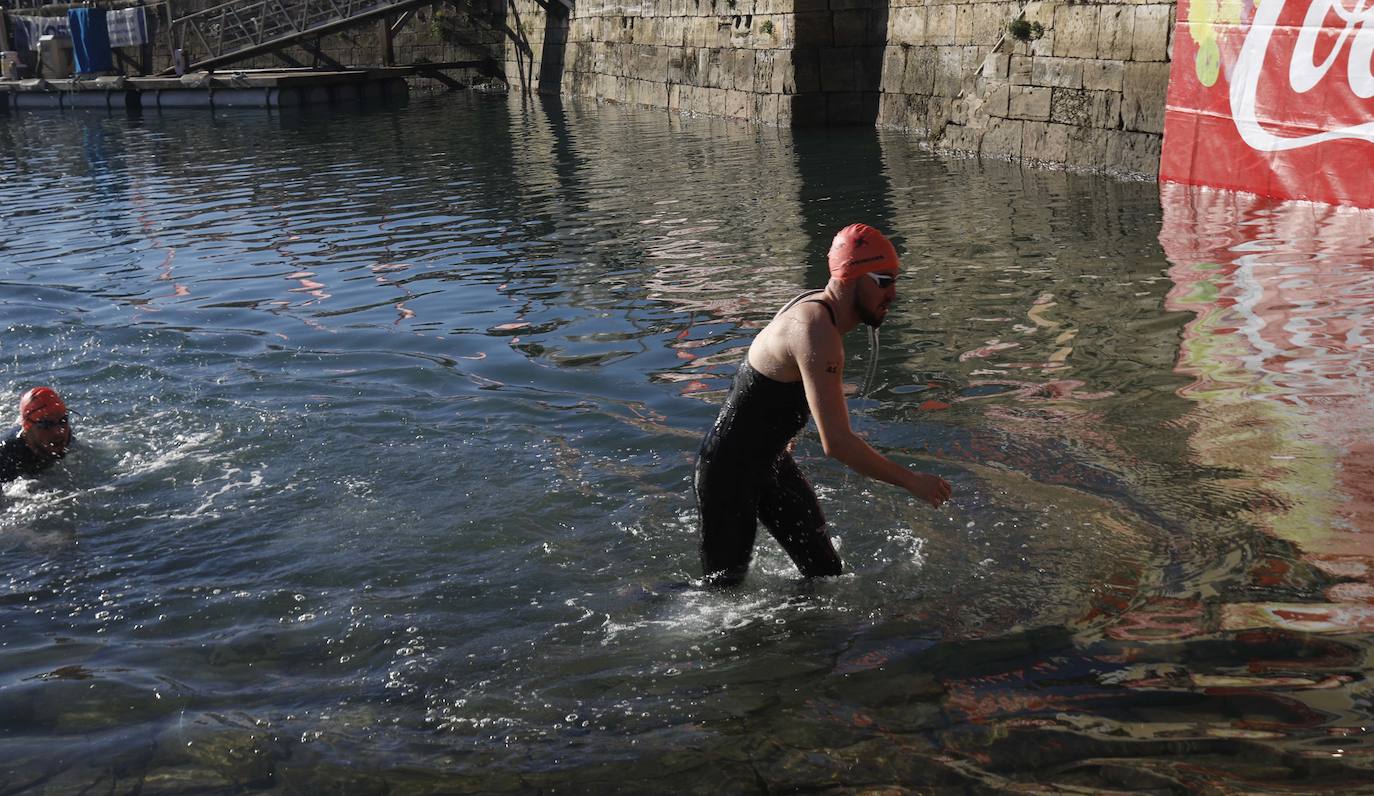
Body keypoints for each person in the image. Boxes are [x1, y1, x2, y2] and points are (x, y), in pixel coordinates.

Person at [694, 223, 952, 586]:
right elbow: (837, 444)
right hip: (728, 475)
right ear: (849, 278)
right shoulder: (815, 328)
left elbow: (765, 387)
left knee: (826, 576)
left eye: (895, 280)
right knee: (721, 592)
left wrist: (778, 431)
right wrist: (912, 481)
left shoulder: (818, 315)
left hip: (769, 464)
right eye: (884, 280)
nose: (893, 293)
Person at [0, 387, 74, 484]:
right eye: (46, 425)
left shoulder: (65, 437)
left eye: (63, 420)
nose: (58, 431)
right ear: (27, 426)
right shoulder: (5, 457)